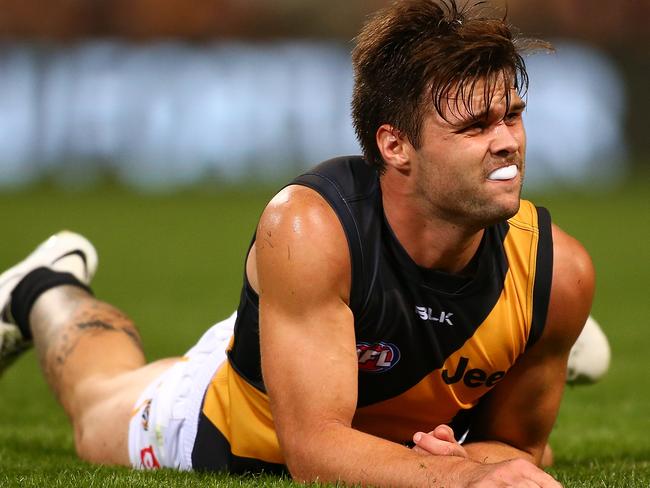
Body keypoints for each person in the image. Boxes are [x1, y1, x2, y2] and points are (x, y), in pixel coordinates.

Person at [0, 0, 610, 486]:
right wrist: (457, 477)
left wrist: (473, 458)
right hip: (247, 423)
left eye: (511, 115)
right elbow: (313, 450)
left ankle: (494, 351)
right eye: (475, 126)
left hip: (336, 346)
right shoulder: (309, 228)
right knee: (98, 405)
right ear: (395, 146)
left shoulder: (558, 275)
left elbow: (522, 448)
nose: (507, 142)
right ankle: (44, 287)